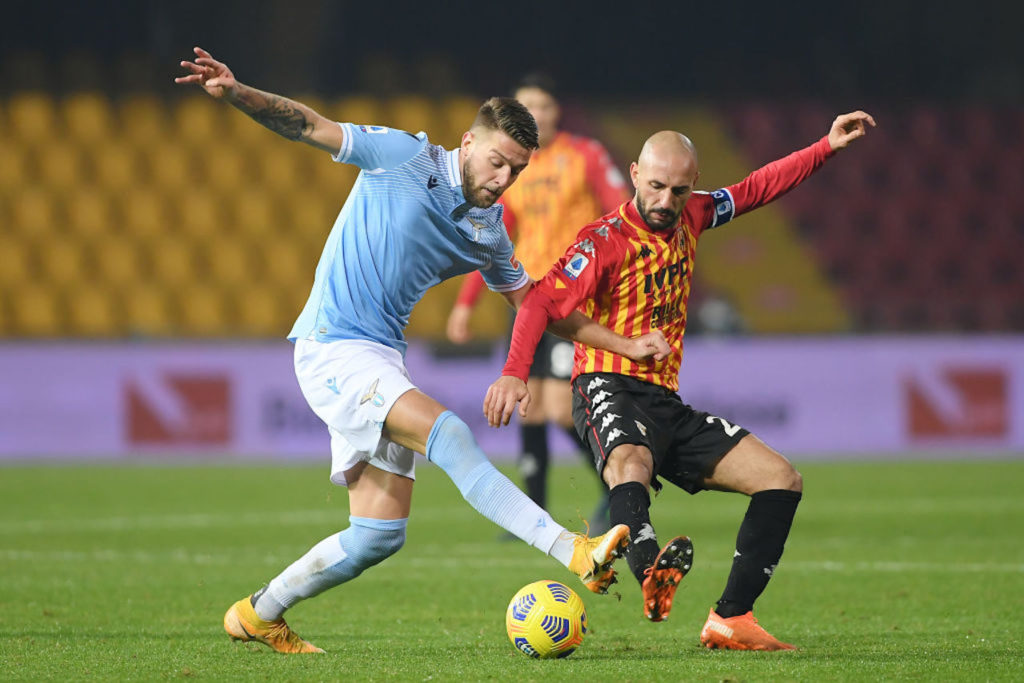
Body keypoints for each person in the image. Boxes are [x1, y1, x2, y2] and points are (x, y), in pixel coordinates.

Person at [175, 47, 670, 655]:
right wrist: (238, 91)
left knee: (377, 535)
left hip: (381, 357)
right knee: (452, 435)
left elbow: (542, 308)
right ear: (467, 142)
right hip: (332, 346)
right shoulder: (403, 157)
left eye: (516, 171)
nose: (503, 180)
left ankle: (258, 613)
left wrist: (624, 346)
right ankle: (571, 547)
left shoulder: (489, 231)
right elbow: (307, 125)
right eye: (496, 163)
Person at [484, 111, 875, 650]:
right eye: (656, 186)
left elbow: (757, 187)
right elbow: (539, 306)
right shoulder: (603, 241)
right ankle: (649, 573)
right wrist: (513, 373)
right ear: (634, 173)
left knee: (781, 479)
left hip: (665, 400)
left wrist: (825, 147)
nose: (666, 201)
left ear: (692, 185)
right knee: (632, 463)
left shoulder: (694, 213)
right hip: (605, 383)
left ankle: (731, 618)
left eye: (679, 189)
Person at [447, 73, 629, 534]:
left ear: (556, 112)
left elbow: (620, 208)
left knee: (561, 408)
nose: (537, 116)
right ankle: (534, 510)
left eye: (543, 107)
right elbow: (490, 236)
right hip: (528, 300)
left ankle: (619, 484)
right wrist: (466, 303)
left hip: (574, 299)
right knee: (530, 404)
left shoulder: (583, 155)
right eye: (527, 108)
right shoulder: (512, 170)